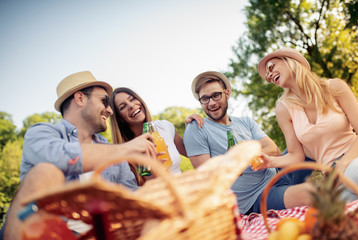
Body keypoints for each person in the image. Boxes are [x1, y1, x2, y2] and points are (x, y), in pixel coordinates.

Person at [2, 71, 158, 240]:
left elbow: (131, 200)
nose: (110, 111)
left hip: (97, 235)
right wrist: (126, 148)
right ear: (80, 99)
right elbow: (59, 157)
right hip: (39, 232)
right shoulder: (41, 133)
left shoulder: (114, 155)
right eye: (104, 101)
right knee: (46, 172)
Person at [183, 71, 315, 215]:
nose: (211, 103)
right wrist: (247, 156)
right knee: (310, 193)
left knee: (309, 139)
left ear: (226, 93)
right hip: (256, 197)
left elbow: (272, 148)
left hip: (278, 173)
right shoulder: (197, 128)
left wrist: (242, 156)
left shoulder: (245, 121)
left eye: (216, 95)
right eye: (205, 99)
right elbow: (208, 176)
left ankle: (338, 166)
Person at [257, 47, 358, 201]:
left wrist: (343, 164)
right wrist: (271, 161)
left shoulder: (334, 87)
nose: (270, 75)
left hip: (354, 158)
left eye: (271, 67)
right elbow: (296, 156)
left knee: (354, 173)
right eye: (267, 76)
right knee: (327, 212)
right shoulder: (283, 109)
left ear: (289, 60)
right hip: (331, 176)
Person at [109, 87, 202, 185]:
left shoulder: (165, 126)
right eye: (122, 107)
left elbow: (193, 152)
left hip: (184, 191)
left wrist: (191, 126)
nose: (131, 105)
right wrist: (150, 172)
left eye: (132, 99)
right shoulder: (124, 151)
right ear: (120, 118)